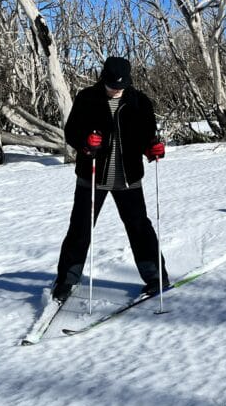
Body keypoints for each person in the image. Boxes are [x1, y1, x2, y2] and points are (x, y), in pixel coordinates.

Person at [53, 56, 169, 301]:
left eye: (121, 85)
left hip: (128, 177)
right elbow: (72, 131)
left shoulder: (140, 102)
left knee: (139, 228)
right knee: (80, 229)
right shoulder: (87, 98)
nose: (116, 89)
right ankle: (66, 280)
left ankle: (156, 277)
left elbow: (148, 137)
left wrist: (154, 149)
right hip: (92, 176)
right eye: (112, 85)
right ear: (103, 78)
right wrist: (86, 143)